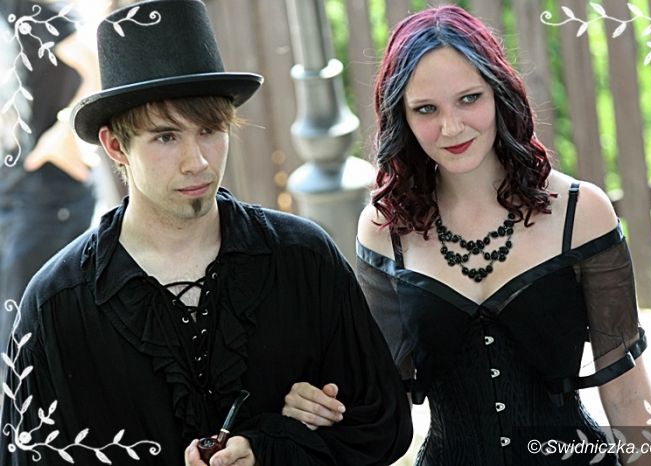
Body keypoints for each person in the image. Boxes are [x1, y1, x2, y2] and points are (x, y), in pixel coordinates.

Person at [0, 0, 412, 465]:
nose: (196, 161)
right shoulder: (56, 306)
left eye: (210, 130)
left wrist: (274, 445)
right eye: (166, 137)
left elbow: (384, 424)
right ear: (115, 145)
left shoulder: (303, 257)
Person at [282, 5, 651, 465]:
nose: (452, 127)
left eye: (469, 98)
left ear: (499, 93)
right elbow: (375, 399)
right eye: (426, 109)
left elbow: (627, 392)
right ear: (402, 116)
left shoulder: (581, 212)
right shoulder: (385, 230)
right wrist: (308, 403)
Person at [0, 0, 97, 390]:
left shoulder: (29, 3)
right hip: (13, 193)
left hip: (48, 195)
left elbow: (95, 65)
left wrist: (62, 136)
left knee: (27, 349)